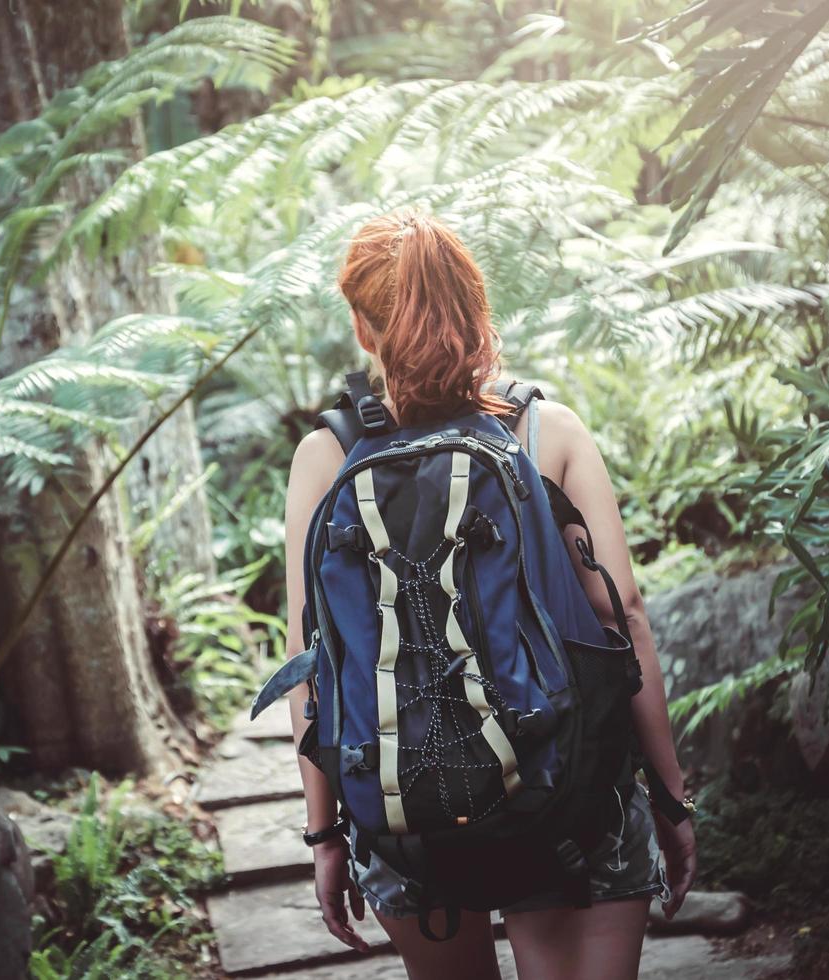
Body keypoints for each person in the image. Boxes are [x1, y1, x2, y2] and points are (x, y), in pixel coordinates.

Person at [281, 211, 697, 980]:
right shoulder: (548, 432)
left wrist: (326, 834)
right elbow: (623, 617)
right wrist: (670, 799)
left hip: (408, 816)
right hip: (571, 796)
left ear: (364, 330)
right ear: (477, 311)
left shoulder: (326, 456)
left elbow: (312, 658)